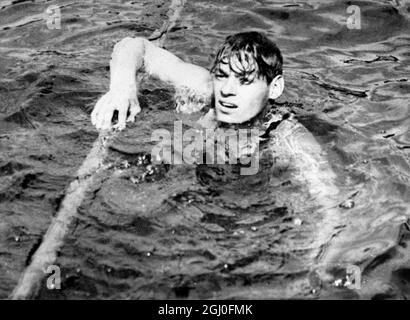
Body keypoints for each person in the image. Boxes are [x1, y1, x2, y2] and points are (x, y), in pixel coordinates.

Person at [91, 31, 340, 211]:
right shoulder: (204, 88)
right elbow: (134, 46)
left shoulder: (286, 135)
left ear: (274, 88)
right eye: (222, 76)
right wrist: (122, 87)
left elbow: (328, 200)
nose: (227, 89)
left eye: (244, 80)